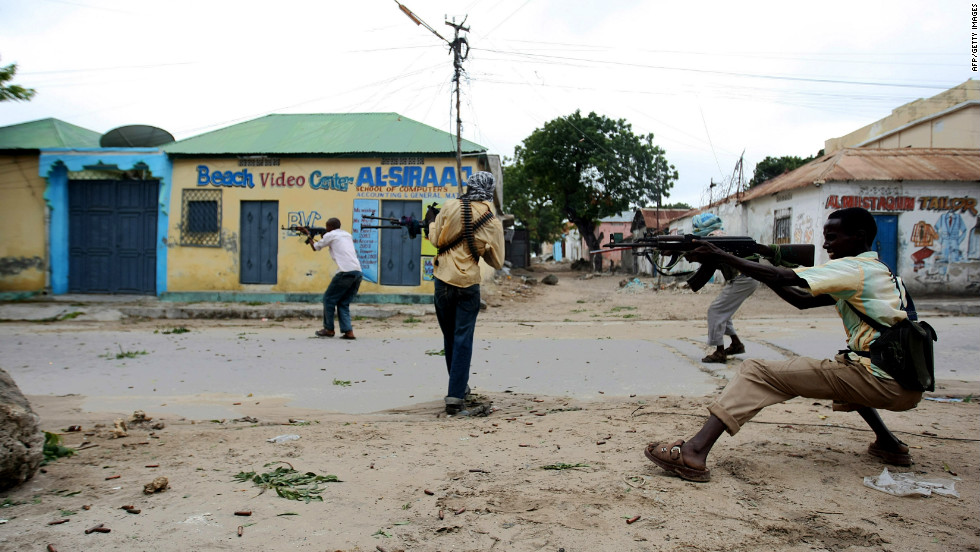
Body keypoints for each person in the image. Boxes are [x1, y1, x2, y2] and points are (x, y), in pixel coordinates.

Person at [644, 207, 922, 482]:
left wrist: (722, 255)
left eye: (833, 237)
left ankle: (694, 451)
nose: (825, 244)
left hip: (881, 380)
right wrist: (755, 262)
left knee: (756, 372)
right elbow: (801, 300)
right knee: (845, 364)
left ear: (859, 237)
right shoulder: (879, 271)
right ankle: (888, 444)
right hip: (905, 382)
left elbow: (782, 277)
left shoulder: (853, 269)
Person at [426, 171, 505, 416]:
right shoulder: (491, 221)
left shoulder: (449, 206)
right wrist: (481, 248)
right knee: (462, 339)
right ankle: (457, 394)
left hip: (443, 281)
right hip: (468, 284)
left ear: (469, 186)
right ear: (489, 190)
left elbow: (436, 240)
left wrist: (430, 222)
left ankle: (457, 389)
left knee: (449, 338)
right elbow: (497, 261)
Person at [692, 213, 760, 363]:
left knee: (715, 310)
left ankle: (719, 351)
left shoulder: (712, 238)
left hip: (744, 278)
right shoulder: (717, 235)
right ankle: (736, 343)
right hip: (746, 278)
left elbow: (705, 258)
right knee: (723, 311)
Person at [303, 217, 362, 340]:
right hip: (357, 272)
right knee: (343, 303)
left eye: (327, 227)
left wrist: (309, 235)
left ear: (329, 227)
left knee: (328, 299)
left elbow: (316, 247)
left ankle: (329, 329)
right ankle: (348, 331)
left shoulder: (331, 235)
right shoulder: (347, 235)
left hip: (345, 272)